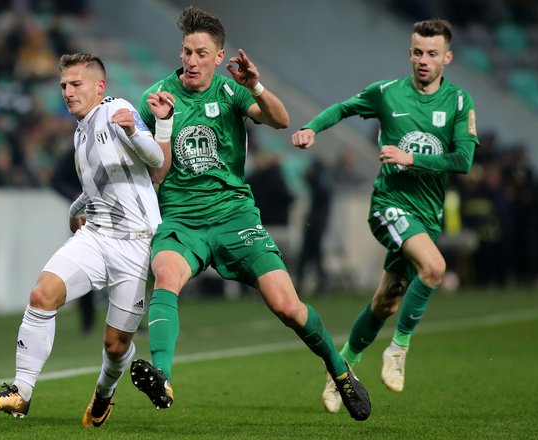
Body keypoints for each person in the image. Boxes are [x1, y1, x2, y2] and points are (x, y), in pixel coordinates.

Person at [127, 6, 370, 421]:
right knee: (166, 276)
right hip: (183, 220)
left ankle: (338, 368)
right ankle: (162, 376)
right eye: (187, 51)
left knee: (287, 307)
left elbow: (280, 119)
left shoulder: (230, 92)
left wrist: (256, 86)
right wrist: (163, 125)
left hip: (236, 217)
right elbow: (158, 173)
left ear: (218, 57)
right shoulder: (157, 98)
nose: (191, 60)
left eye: (202, 53)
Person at [0, 52, 171, 428]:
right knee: (42, 294)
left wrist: (132, 130)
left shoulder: (117, 110)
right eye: (63, 85)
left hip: (136, 243)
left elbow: (156, 163)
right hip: (96, 235)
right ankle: (21, 391)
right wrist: (78, 204)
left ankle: (104, 392)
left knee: (115, 346)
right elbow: (100, 179)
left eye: (76, 84)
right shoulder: (81, 129)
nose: (67, 91)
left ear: (100, 87)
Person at [292, 19, 479, 413]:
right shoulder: (387, 93)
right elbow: (343, 108)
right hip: (388, 206)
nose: (423, 60)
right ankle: (398, 349)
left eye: (432, 54)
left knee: (386, 302)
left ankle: (340, 369)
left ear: (448, 57)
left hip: (425, 216)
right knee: (434, 267)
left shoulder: (460, 102)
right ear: (409, 53)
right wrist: (312, 128)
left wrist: (412, 157)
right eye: (417, 52)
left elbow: (463, 159)